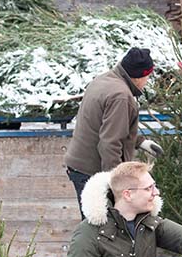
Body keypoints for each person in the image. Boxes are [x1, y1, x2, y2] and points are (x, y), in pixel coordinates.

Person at [65, 48, 162, 214]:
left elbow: (105, 125)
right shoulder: (121, 96)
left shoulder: (105, 80)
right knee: (103, 228)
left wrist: (140, 142)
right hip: (93, 170)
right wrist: (117, 184)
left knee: (97, 227)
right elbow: (109, 143)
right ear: (139, 76)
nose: (147, 81)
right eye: (147, 76)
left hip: (80, 165)